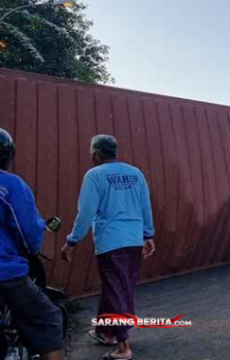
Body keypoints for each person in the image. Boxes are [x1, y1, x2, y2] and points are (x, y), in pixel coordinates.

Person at [61, 135, 155, 360]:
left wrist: (72, 240)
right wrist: (148, 234)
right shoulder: (135, 173)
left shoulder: (94, 176)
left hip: (111, 243)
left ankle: (123, 346)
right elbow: (145, 205)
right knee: (116, 286)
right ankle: (106, 332)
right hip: (133, 241)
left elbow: (86, 213)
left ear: (96, 154)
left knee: (116, 289)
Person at [0, 128, 64, 360]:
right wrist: (33, 248)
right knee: (49, 319)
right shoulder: (10, 185)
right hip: (5, 272)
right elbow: (27, 230)